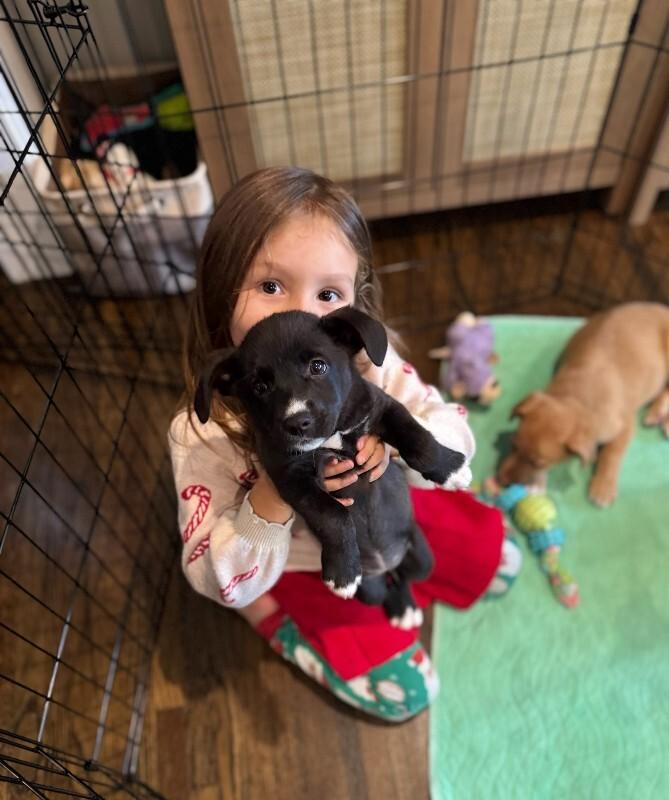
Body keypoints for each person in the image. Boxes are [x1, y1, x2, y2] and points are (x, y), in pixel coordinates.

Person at [169, 167, 522, 722]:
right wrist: (273, 491)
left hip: (388, 513)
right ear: (220, 289)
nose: (301, 313)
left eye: (328, 293)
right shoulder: (201, 433)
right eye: (270, 285)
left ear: (354, 308)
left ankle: (404, 575)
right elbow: (205, 571)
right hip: (307, 565)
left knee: (484, 554)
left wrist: (403, 446)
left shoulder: (373, 367)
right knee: (406, 691)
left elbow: (449, 423)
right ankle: (270, 617)